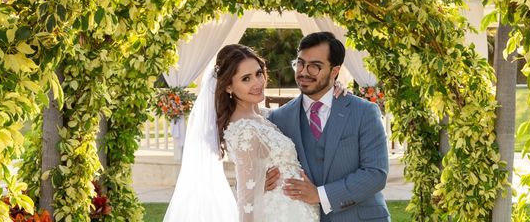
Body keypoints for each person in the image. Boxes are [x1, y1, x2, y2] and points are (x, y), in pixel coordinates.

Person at [163, 44, 320, 222]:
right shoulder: (243, 130)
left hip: (296, 212)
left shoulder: (263, 116)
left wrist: (331, 87)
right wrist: (256, 188)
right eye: (246, 79)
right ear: (228, 87)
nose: (257, 83)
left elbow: (301, 107)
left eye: (258, 73)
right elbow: (247, 201)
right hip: (279, 215)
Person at [266, 31, 390, 221]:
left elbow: (375, 174)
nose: (304, 72)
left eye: (315, 66)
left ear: (334, 71)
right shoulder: (279, 118)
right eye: (300, 63)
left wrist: (320, 195)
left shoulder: (364, 112)